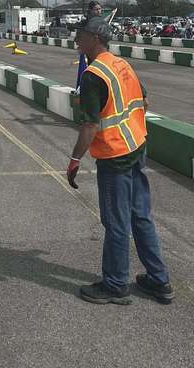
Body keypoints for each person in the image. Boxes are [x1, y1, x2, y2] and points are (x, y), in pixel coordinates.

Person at [67, 17, 173, 305]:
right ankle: (159, 280)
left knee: (116, 222)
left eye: (80, 34)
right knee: (141, 215)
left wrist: (75, 158)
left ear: (95, 38)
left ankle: (115, 284)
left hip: (115, 156)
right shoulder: (121, 64)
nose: (76, 40)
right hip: (137, 146)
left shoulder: (93, 75)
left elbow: (90, 127)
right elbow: (144, 100)